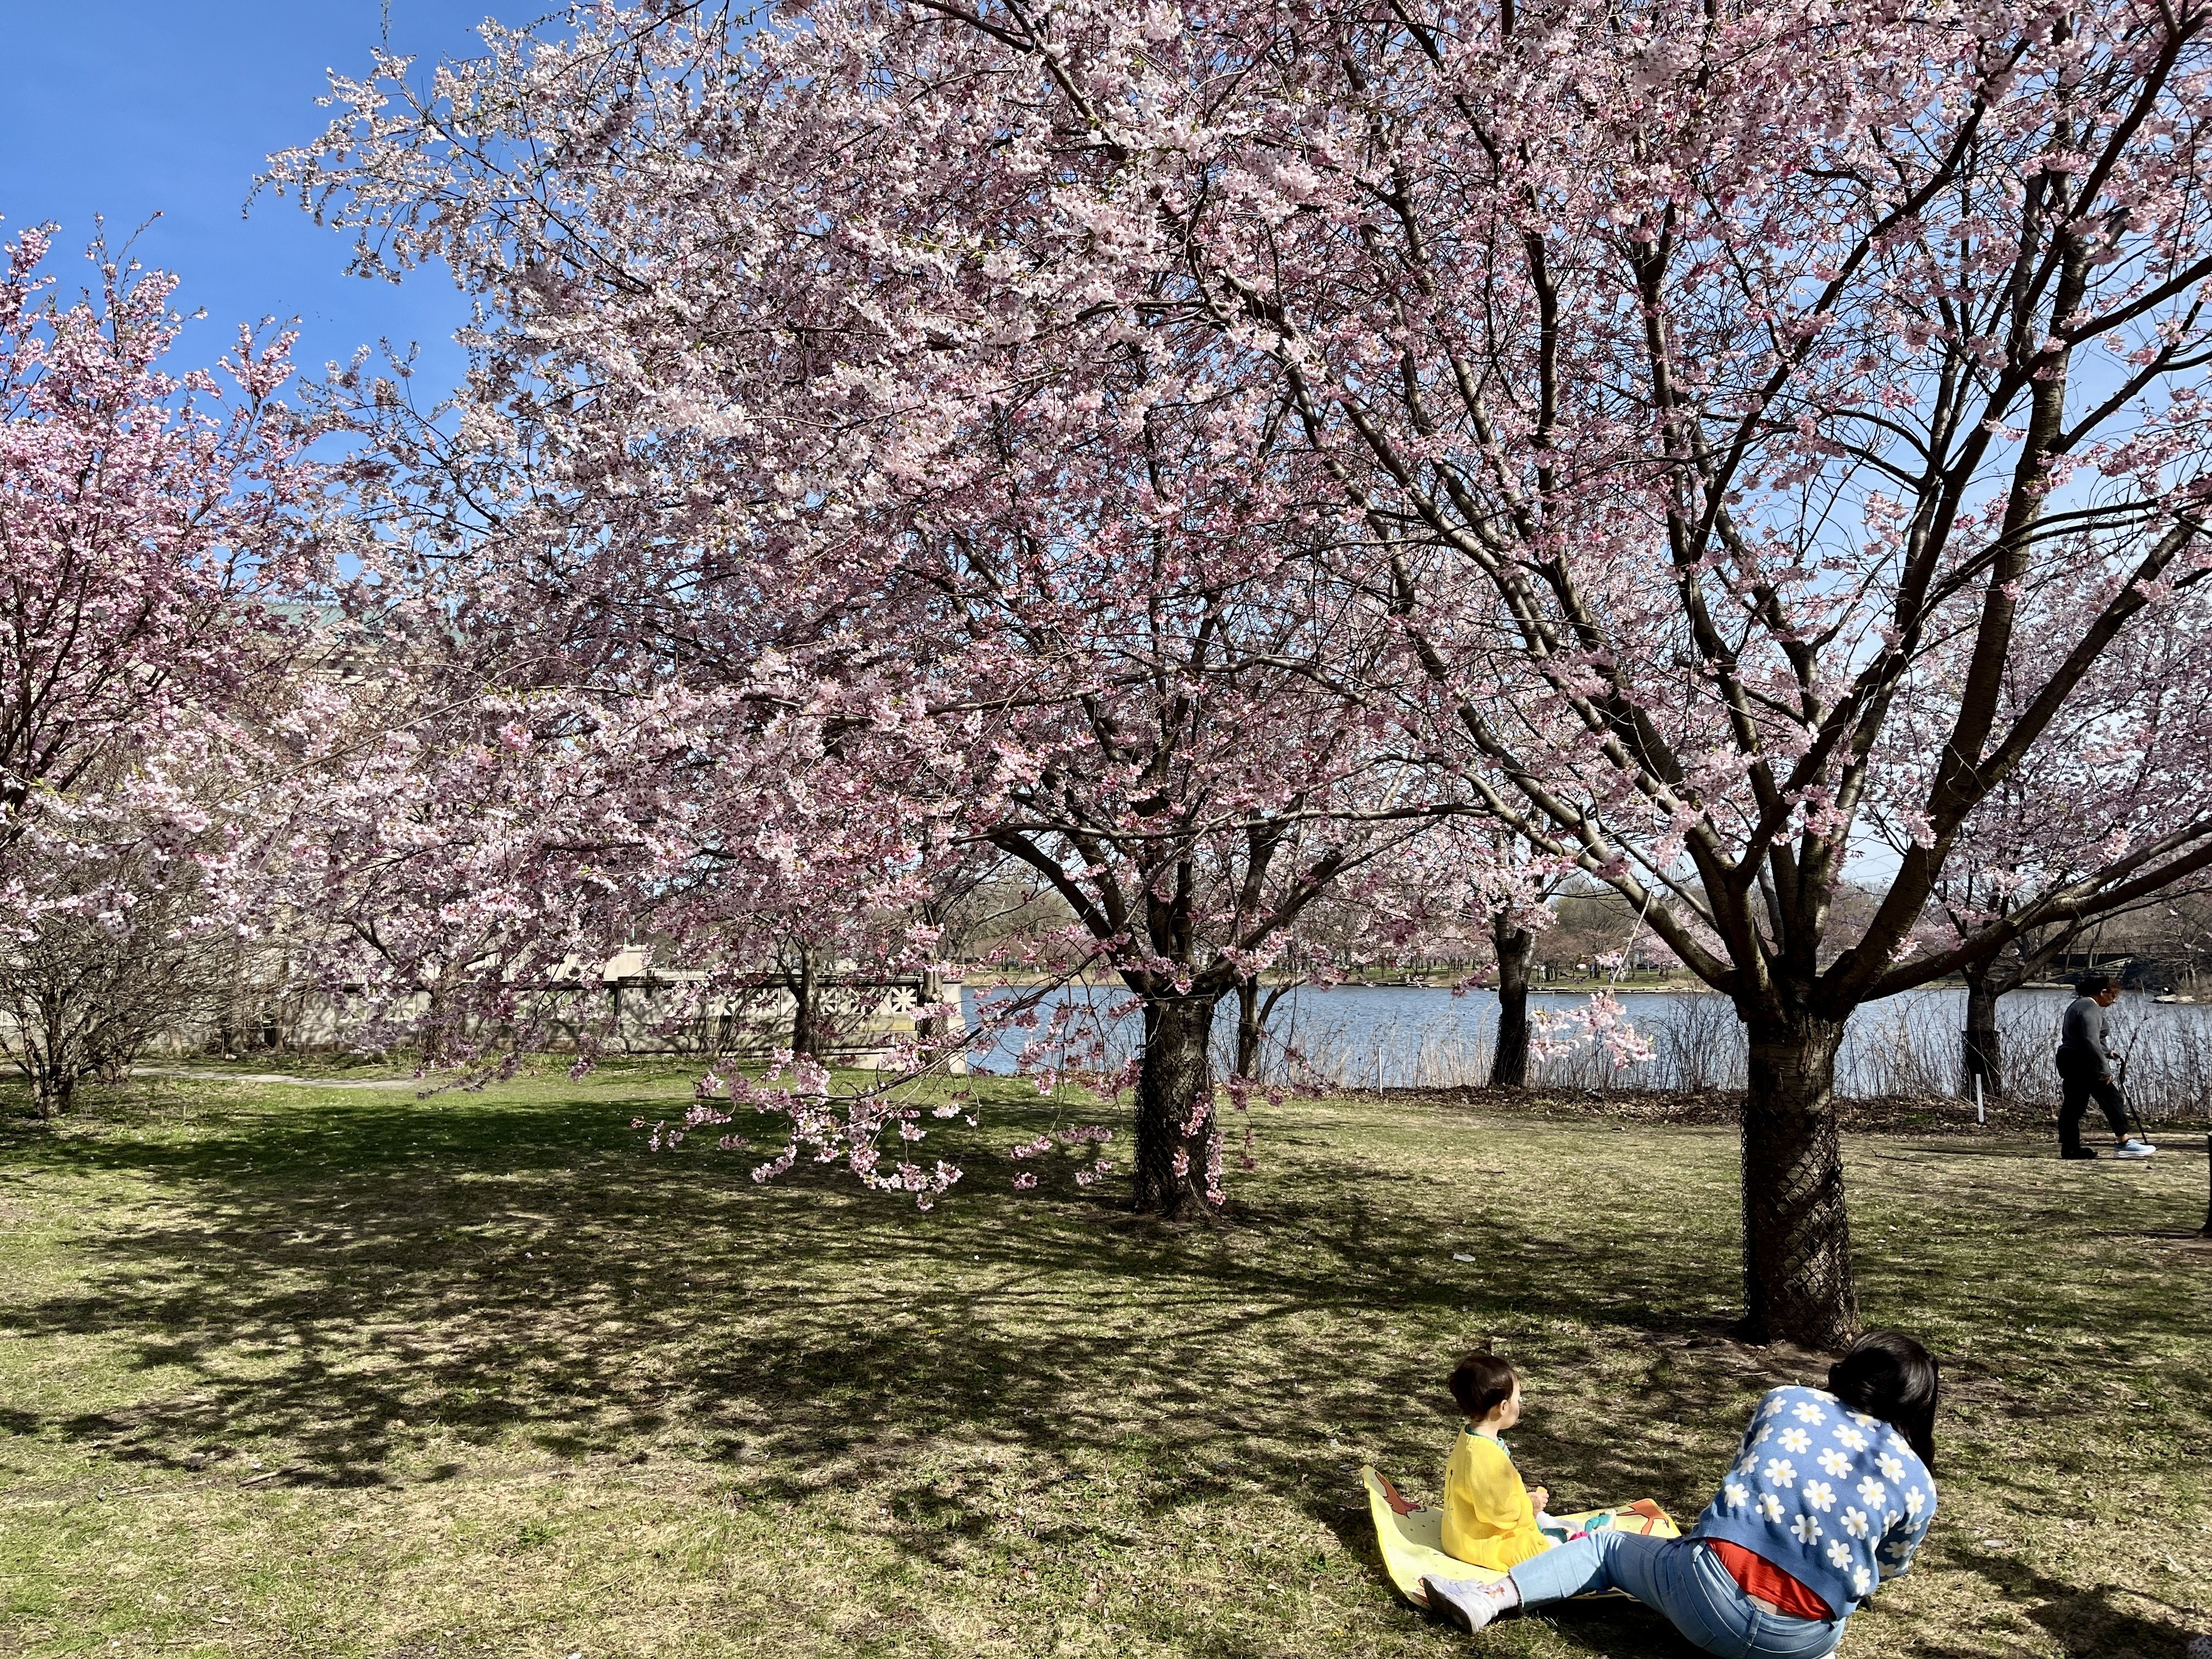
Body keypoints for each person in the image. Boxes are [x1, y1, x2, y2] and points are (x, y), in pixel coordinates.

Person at [1423, 1331, 1942, 1658]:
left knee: (1605, 1547)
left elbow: (1750, 1470)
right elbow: (1887, 1568)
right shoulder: (1918, 1481)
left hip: (1706, 1600)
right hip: (1801, 1640)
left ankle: (1487, 1598)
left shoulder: (1788, 1402)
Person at [1440, 1352, 1554, 1570]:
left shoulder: (1470, 1438)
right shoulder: (1484, 1456)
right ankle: (1586, 1540)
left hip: (1463, 1534)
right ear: (1503, 1407)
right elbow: (1500, 1511)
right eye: (1518, 1399)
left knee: (1544, 1524)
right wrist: (1528, 1505)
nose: (1519, 1404)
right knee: (1549, 1552)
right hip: (1483, 1546)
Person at [2056, 974, 2158, 1161]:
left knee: (2074, 1106)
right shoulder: (2090, 1008)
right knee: (2112, 1099)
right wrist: (2104, 1069)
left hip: (2068, 1059)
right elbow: (2090, 1040)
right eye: (2113, 996)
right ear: (2103, 993)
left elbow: (2080, 1038)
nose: (2114, 1000)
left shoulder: (2077, 1005)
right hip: (2084, 1062)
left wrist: (2107, 1051)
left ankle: (2070, 1149)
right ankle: (2124, 1142)